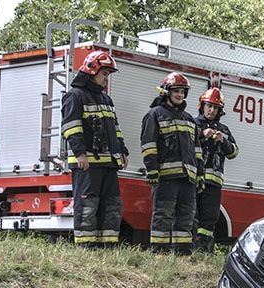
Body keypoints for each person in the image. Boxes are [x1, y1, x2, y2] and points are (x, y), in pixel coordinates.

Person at [61, 50, 129, 248]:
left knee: (112, 206)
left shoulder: (105, 100)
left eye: (108, 75)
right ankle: (86, 246)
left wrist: (122, 151)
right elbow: (71, 127)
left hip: (108, 163)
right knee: (87, 206)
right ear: (92, 70)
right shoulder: (74, 96)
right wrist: (80, 153)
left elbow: (115, 129)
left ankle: (107, 246)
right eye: (104, 74)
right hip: (87, 164)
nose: (106, 79)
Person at [141, 72, 204, 255]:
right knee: (163, 216)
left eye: (183, 92)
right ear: (167, 92)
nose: (180, 95)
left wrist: (199, 175)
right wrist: (152, 170)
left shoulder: (189, 119)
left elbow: (197, 151)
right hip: (166, 178)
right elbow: (148, 145)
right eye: (176, 91)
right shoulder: (154, 115)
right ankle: (159, 254)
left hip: (188, 179)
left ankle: (182, 254)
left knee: (186, 218)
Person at [193, 87, 238, 253]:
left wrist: (223, 142)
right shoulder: (193, 124)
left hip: (214, 184)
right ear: (202, 106)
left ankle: (204, 250)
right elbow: (183, 145)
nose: (211, 110)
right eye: (209, 106)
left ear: (220, 110)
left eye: (215, 107)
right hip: (194, 180)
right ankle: (188, 249)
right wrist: (202, 134)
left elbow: (234, 152)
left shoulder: (224, 130)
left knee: (209, 219)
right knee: (190, 216)